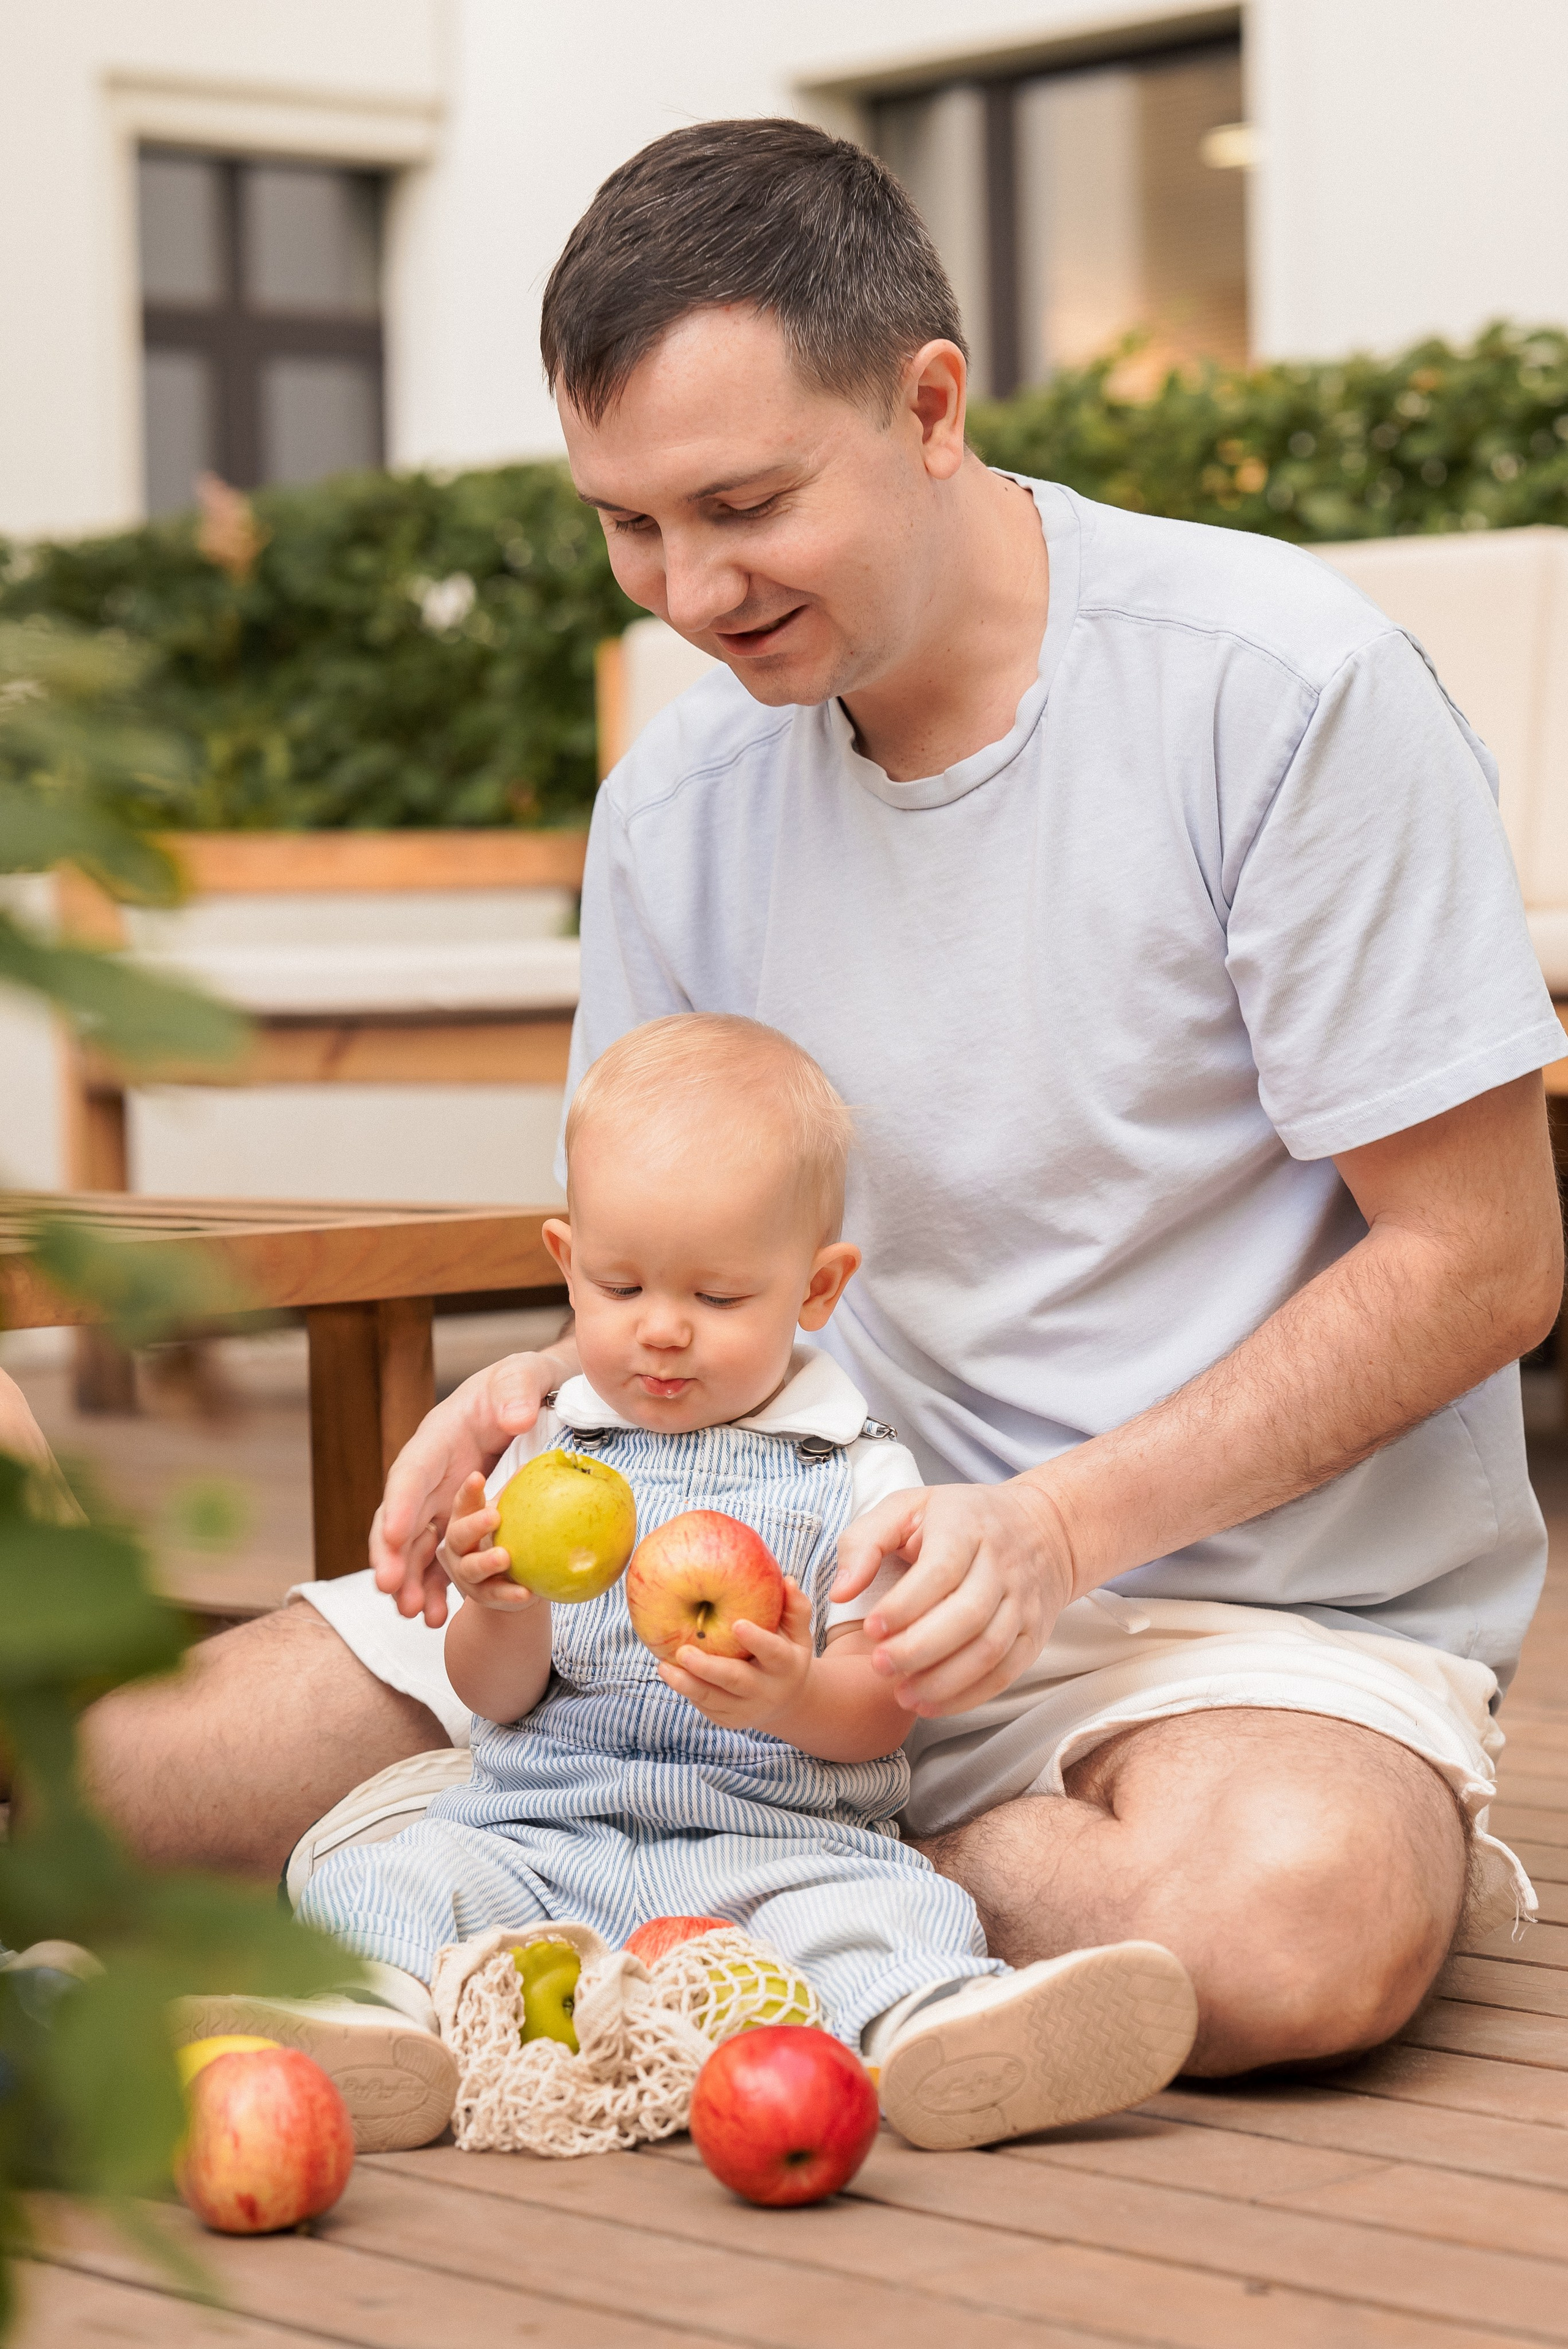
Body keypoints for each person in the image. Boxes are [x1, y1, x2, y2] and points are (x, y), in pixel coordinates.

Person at [81, 118, 1564, 2088]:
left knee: (1289, 1926)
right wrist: (537, 1387)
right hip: (735, 1581)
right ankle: (772, 1911)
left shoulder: (1278, 694)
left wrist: (1048, 1529)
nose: (688, 591)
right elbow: (674, 1261)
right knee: (104, 1786)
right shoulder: (677, 812)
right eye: (627, 524)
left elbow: (1484, 1262)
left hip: (1211, 1622)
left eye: (744, 503)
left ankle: (581, 1897)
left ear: (931, 403)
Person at [221, 1015, 1195, 2151]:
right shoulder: (549, 1450)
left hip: (772, 1850)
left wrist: (790, 1695)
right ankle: (368, 2023)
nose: (664, 1332)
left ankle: (944, 2028)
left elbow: (881, 1709)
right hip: (543, 1834)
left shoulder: (857, 1471)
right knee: (396, 1880)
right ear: (563, 1263)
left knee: (888, 1912)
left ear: (818, 1289)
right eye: (619, 1286)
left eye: (721, 1299)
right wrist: (505, 1606)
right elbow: (493, 1700)